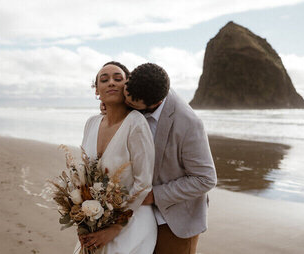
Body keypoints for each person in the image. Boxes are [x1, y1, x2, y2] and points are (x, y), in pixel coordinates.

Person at [124, 63, 217, 254]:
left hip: (175, 219)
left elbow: (205, 179)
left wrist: (154, 196)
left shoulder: (189, 123)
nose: (127, 105)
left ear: (155, 103)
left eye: (133, 105)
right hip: (139, 217)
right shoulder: (139, 90)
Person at [76, 61, 157, 253]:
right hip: (97, 222)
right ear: (97, 90)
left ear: (126, 87)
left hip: (132, 222)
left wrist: (115, 228)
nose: (111, 82)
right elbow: (83, 175)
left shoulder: (137, 124)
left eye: (117, 79)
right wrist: (83, 222)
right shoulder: (91, 123)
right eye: (104, 80)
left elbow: (143, 184)